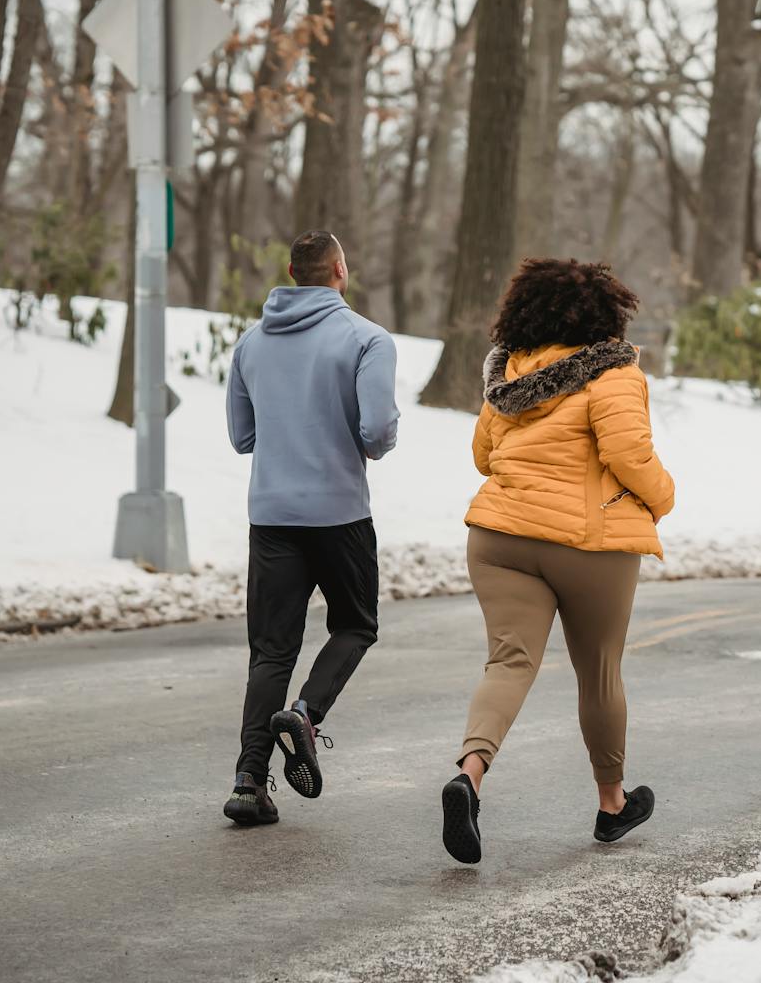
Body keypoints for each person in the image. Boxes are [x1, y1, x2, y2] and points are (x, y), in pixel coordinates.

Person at [439, 259, 675, 864]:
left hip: (499, 535)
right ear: (605, 313)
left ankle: (469, 775)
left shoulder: (509, 373)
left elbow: (483, 455)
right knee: (598, 670)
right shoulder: (614, 372)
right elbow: (627, 453)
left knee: (509, 661)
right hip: (588, 545)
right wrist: (663, 498)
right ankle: (612, 803)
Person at [221, 230, 399, 826]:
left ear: (292, 273)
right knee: (355, 623)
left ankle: (249, 780)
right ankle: (306, 712)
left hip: (270, 516)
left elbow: (242, 437)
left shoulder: (250, 344)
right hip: (339, 514)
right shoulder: (367, 340)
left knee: (270, 651)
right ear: (340, 271)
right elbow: (377, 434)